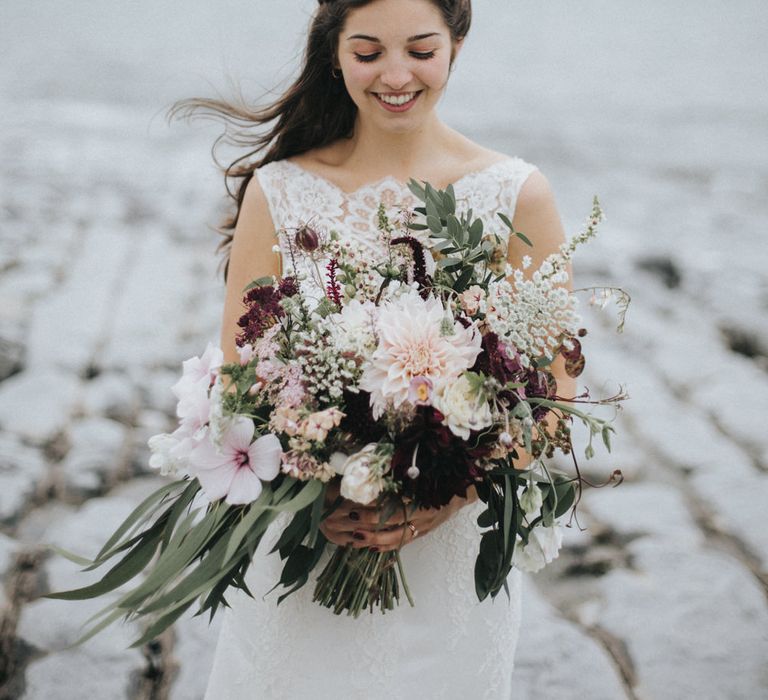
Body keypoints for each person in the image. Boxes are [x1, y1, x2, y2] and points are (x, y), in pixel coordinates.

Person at [172, 0, 573, 697]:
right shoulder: (281, 192)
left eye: (420, 50)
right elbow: (240, 380)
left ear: (456, 45)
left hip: (449, 553)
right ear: (335, 53)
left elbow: (554, 397)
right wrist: (323, 480)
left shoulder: (517, 196)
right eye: (368, 53)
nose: (396, 75)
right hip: (311, 538)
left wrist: (441, 501)